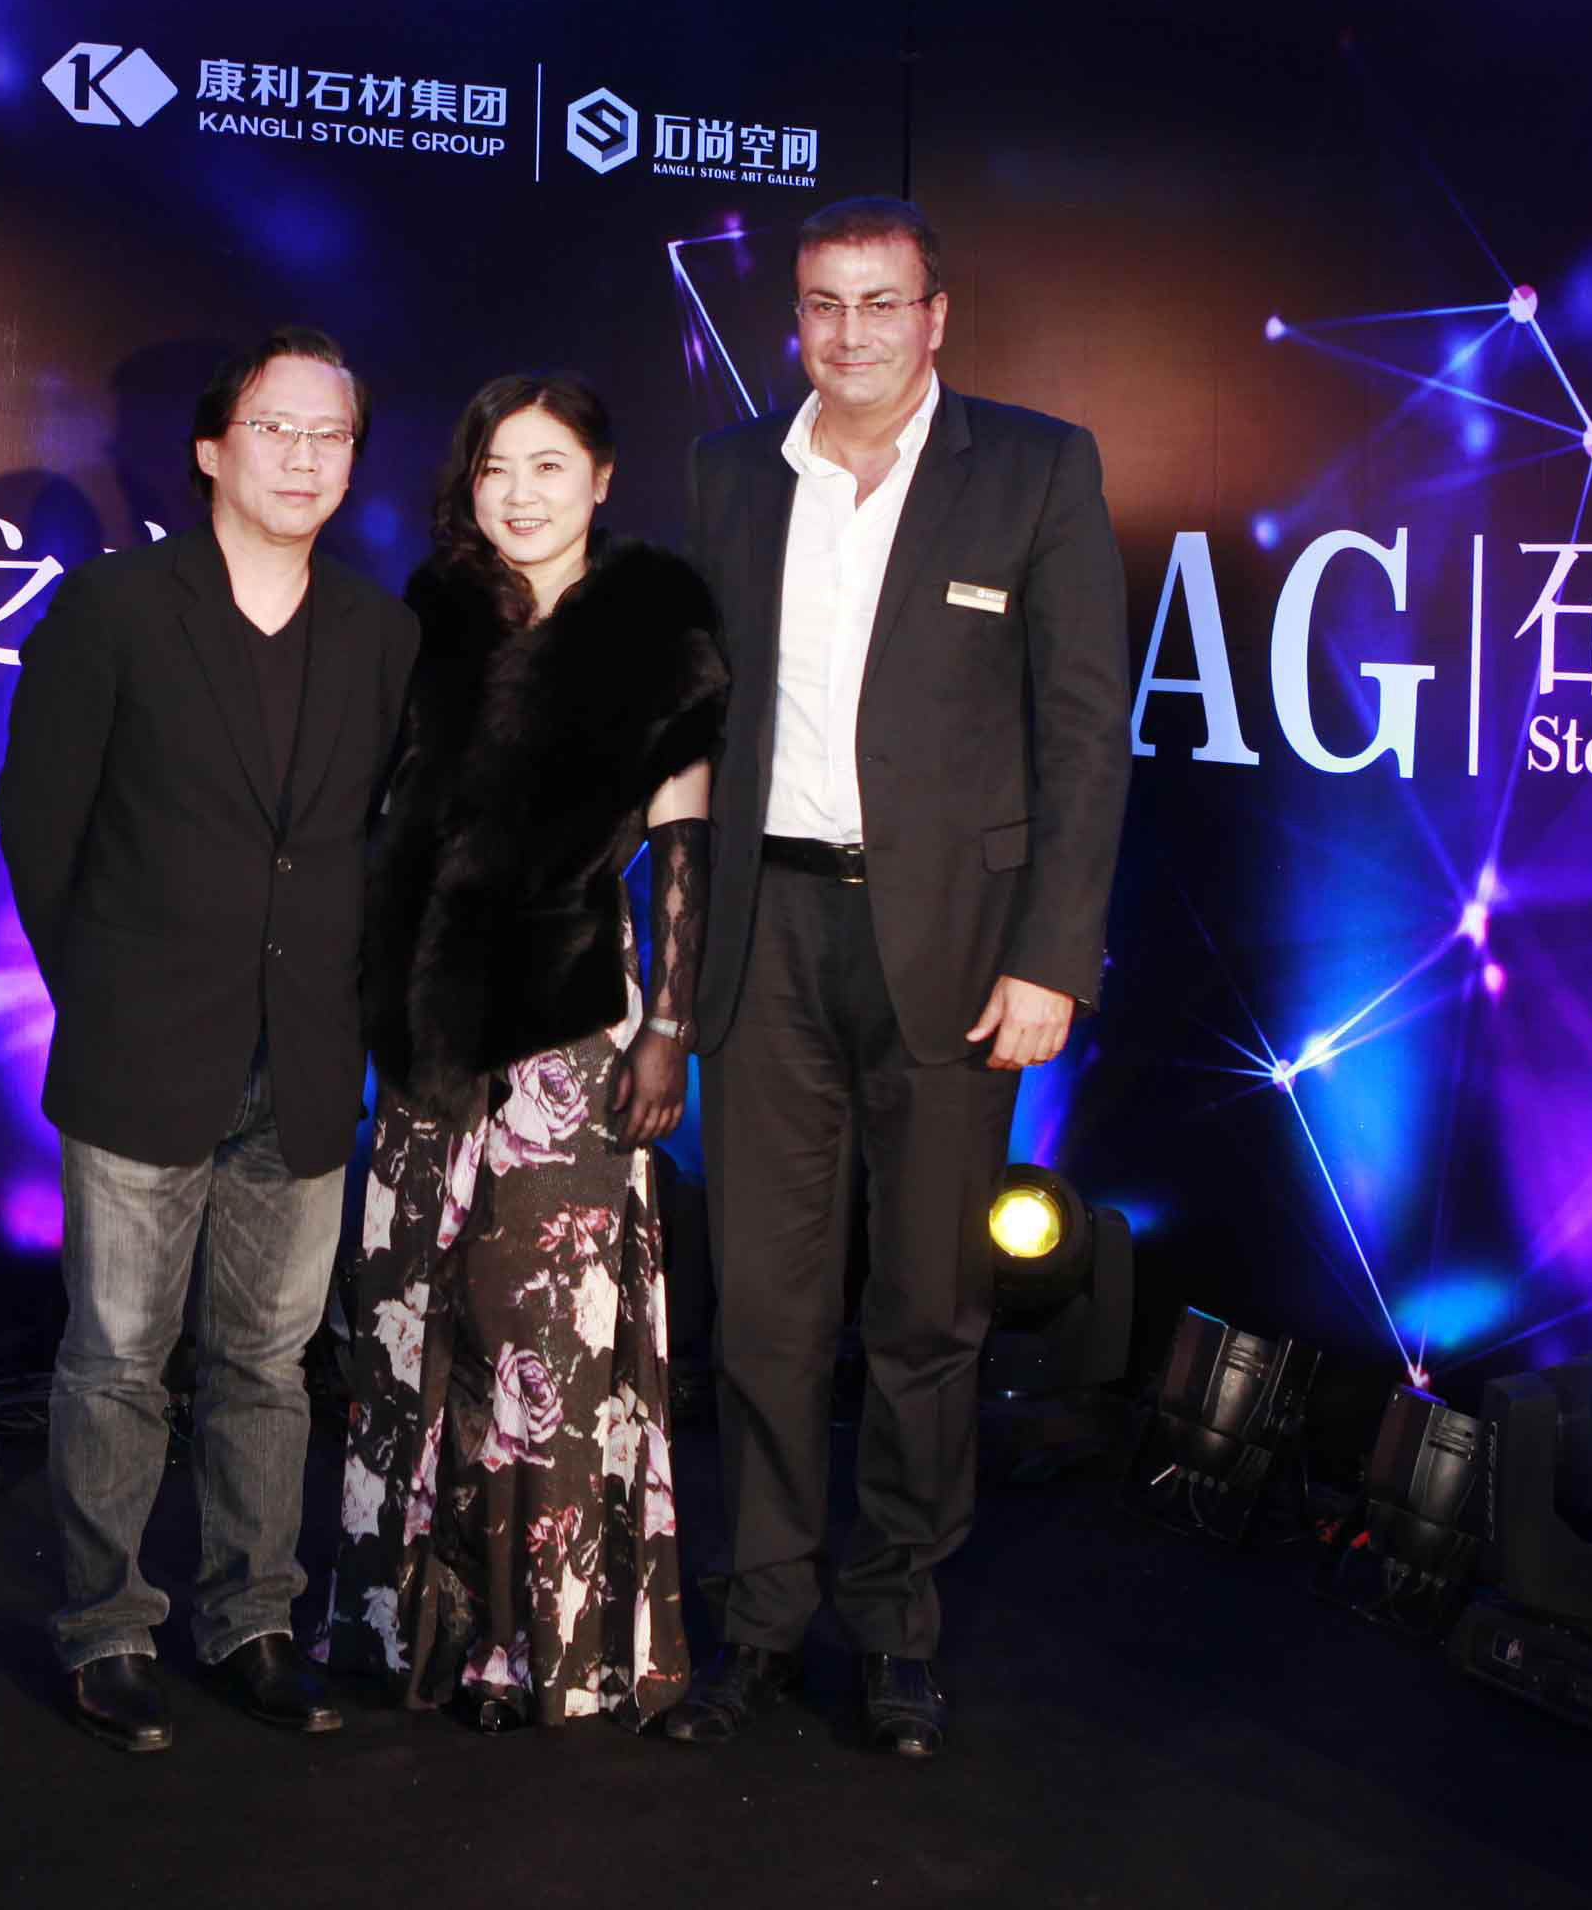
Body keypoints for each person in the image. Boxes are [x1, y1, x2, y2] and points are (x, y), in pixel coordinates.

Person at [666, 198, 1130, 1758]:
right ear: (793, 319)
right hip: (766, 934)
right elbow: (690, 719)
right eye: (822, 302)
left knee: (927, 1306)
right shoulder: (729, 472)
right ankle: (759, 1618)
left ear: (936, 316)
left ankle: (894, 1629)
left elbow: (1082, 732)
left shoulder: (1037, 467)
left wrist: (1052, 954)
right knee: (763, 1307)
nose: (850, 331)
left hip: (953, 949)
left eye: (880, 302)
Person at [0, 327, 420, 1754]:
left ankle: (252, 1620)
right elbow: (41, 828)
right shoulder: (115, 609)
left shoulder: (382, 635)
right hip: (142, 1046)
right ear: (209, 449)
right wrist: (107, 993)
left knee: (269, 1365)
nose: (303, 457)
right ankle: (108, 1630)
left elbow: (375, 848)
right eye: (274, 429)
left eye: (330, 435)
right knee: (117, 1358)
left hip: (305, 1055)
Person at [324, 372, 723, 1733]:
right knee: (412, 1325)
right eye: (496, 467)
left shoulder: (655, 630)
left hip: (569, 1030)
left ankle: (539, 1646)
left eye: (549, 465)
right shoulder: (431, 621)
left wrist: (669, 1029)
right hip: (425, 1035)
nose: (520, 494)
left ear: (602, 478)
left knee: (543, 1342)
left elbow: (683, 848)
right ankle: (419, 1631)